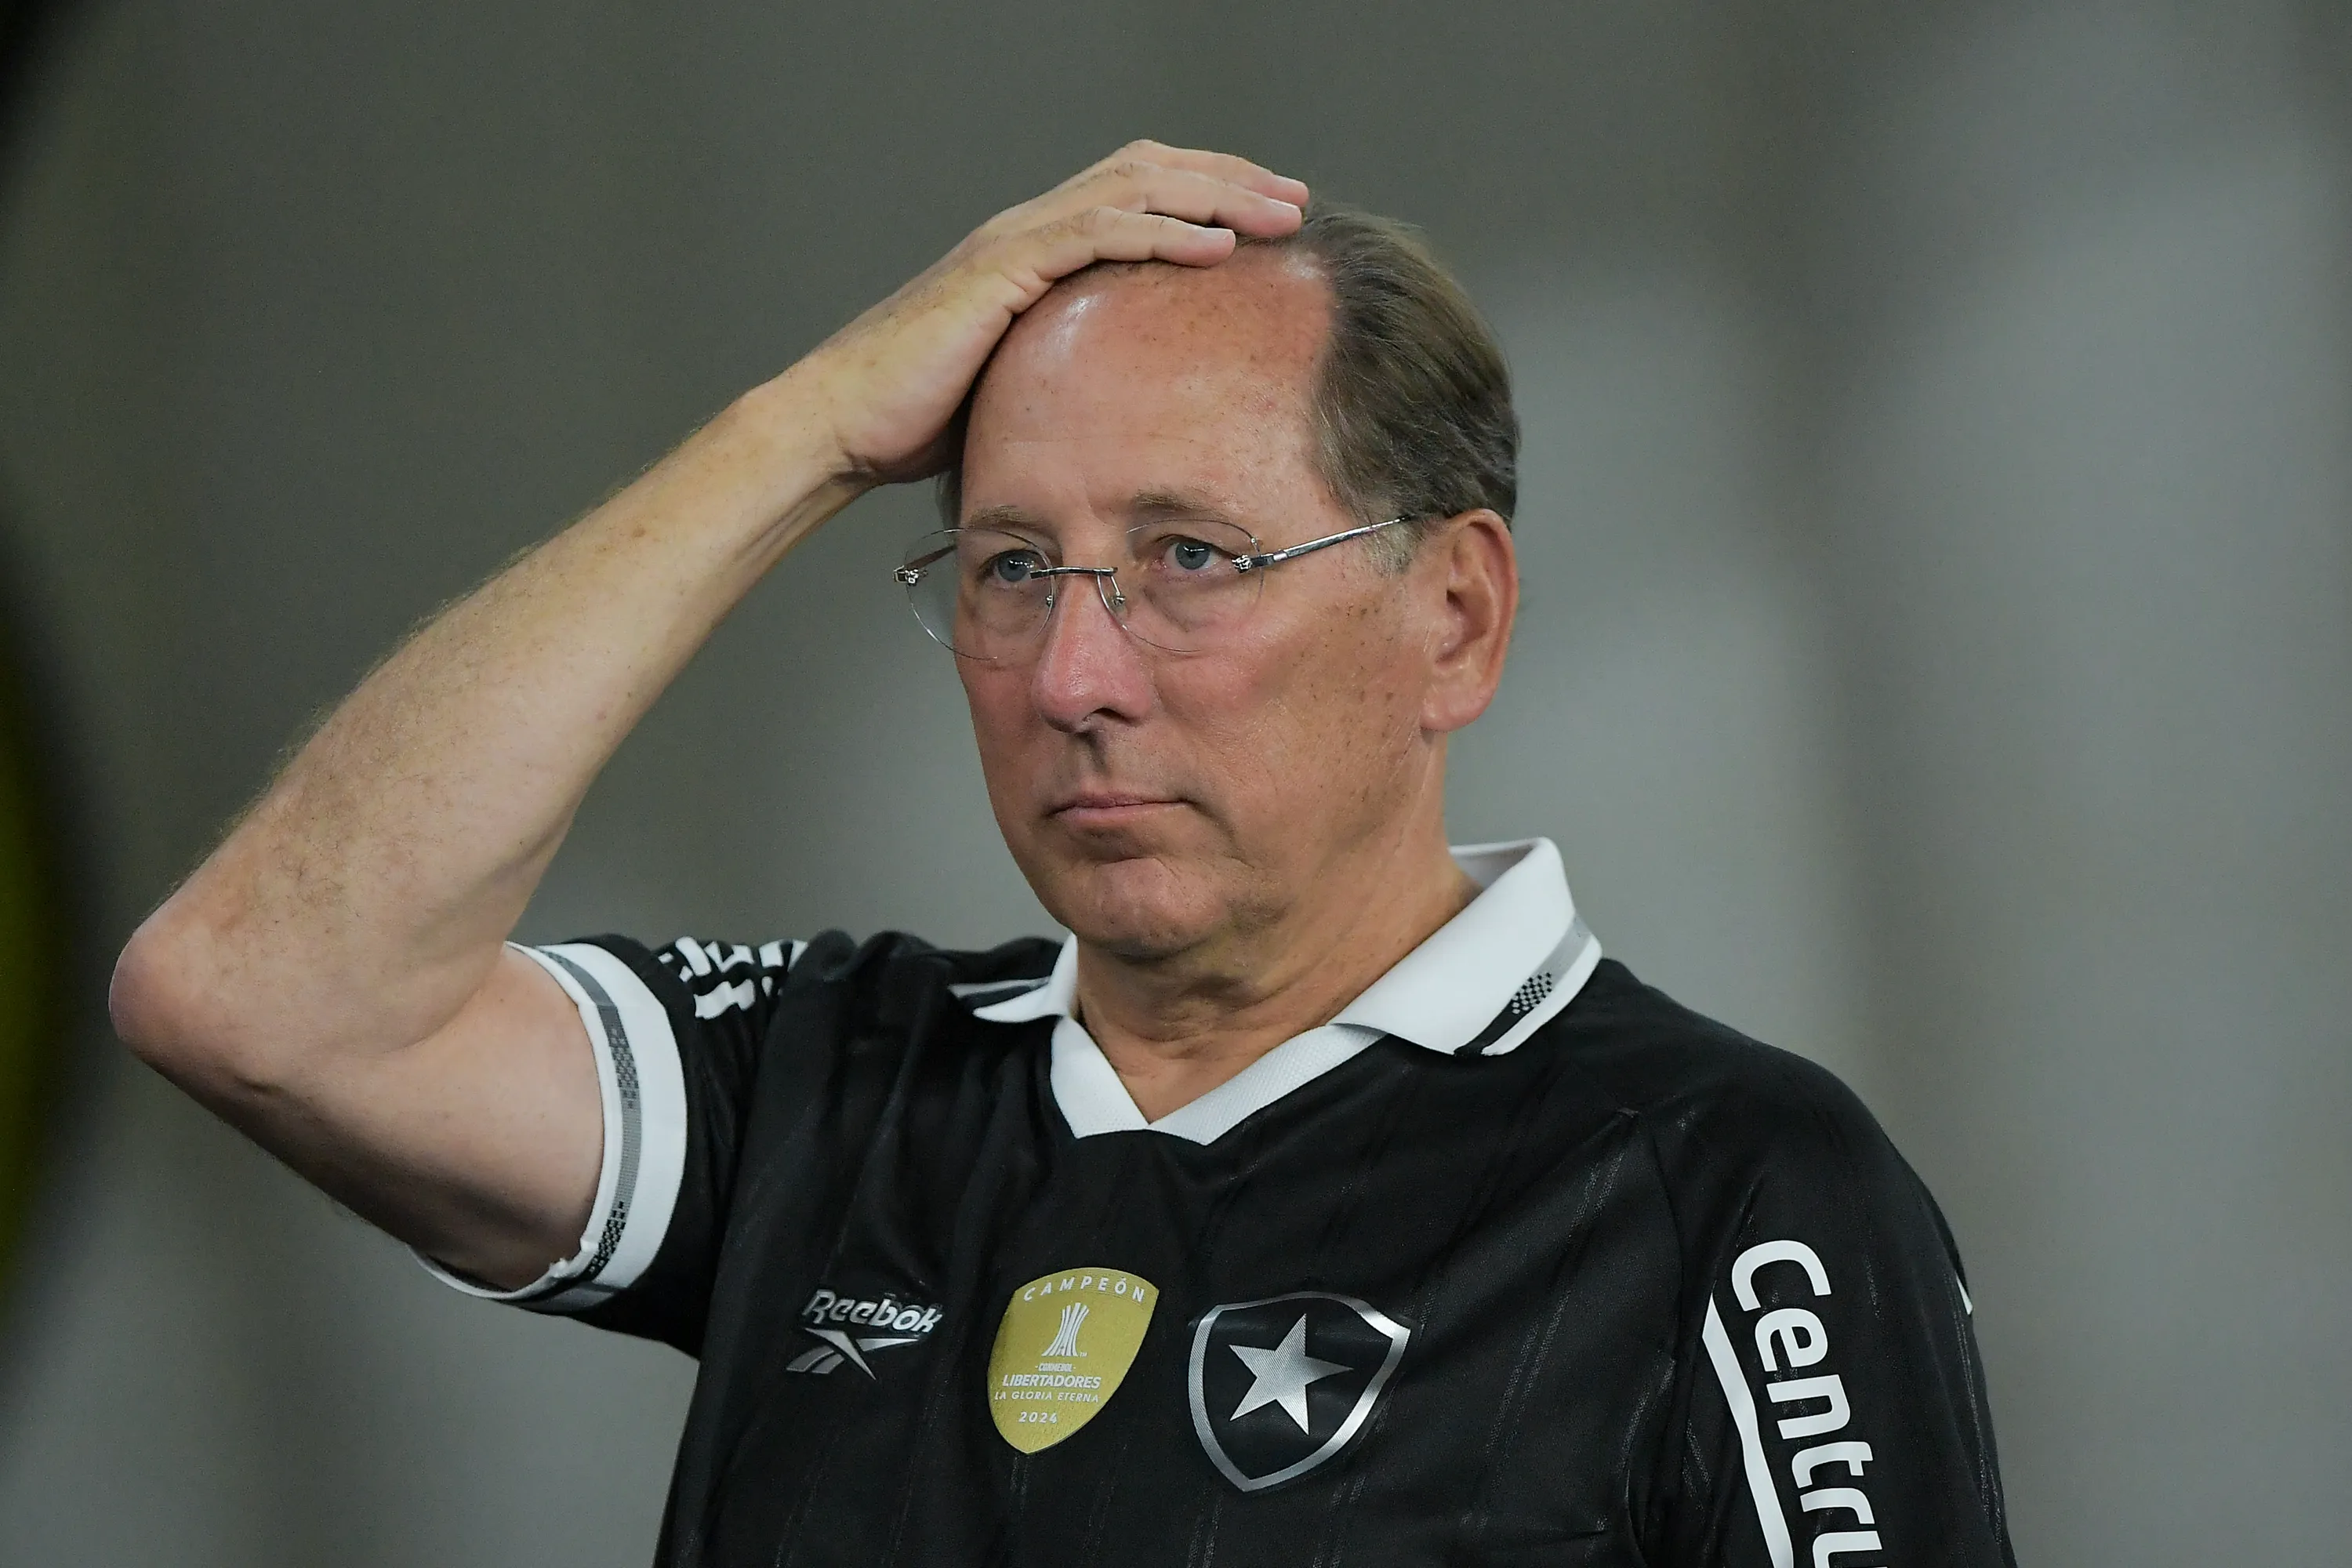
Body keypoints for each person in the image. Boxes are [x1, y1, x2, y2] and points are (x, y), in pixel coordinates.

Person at [111, 143, 2016, 1566]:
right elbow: (258, 994)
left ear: (1455, 617)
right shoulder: (836, 1084)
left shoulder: (1725, 1190)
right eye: (1013, 567)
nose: (1074, 675)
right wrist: (803, 430)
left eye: (1191, 557)